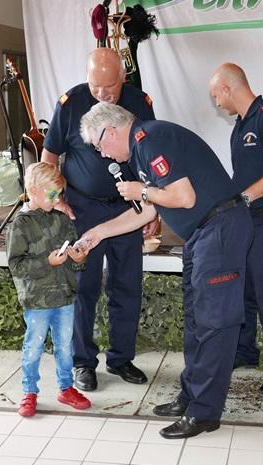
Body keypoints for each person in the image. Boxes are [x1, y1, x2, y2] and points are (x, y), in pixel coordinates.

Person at [78, 102, 252, 439]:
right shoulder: (142, 149)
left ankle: (204, 412)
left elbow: (184, 198)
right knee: (197, 321)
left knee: (214, 324)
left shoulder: (150, 139)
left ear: (110, 131)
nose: (102, 154)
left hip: (219, 229)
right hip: (203, 234)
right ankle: (190, 397)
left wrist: (140, 190)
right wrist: (97, 233)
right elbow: (146, 212)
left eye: (99, 145)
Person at [41, 48, 157, 392]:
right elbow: (50, 154)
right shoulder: (71, 102)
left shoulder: (139, 102)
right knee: (83, 286)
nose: (102, 94)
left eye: (110, 87)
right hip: (82, 207)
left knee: (127, 284)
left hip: (127, 207)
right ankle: (82, 362)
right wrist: (54, 198)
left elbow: (151, 155)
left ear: (123, 77)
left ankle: (121, 358)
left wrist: (154, 206)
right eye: (96, 87)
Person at [209, 63, 263, 395]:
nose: (217, 103)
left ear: (228, 88)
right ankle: (245, 352)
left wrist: (245, 197)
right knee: (243, 290)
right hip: (247, 222)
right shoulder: (241, 125)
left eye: (216, 95)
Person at [6, 161, 92, 417]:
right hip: (37, 300)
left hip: (64, 296)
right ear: (33, 190)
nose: (57, 200)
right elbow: (16, 265)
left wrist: (79, 258)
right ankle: (29, 392)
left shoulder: (62, 219)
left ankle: (66, 388)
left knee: (65, 347)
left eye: (59, 194)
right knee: (33, 347)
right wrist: (47, 262)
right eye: (52, 194)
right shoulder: (20, 224)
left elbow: (74, 258)